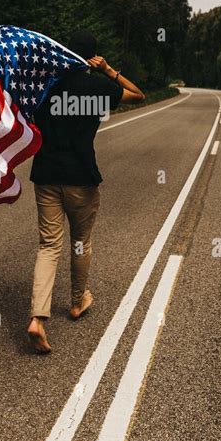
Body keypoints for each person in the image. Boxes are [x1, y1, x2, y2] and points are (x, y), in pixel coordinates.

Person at [27, 29, 145, 353]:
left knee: (49, 245)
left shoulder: (45, 85)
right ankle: (78, 301)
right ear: (90, 57)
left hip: (46, 175)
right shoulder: (98, 87)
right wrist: (108, 70)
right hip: (81, 177)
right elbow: (138, 94)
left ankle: (38, 318)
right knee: (80, 241)